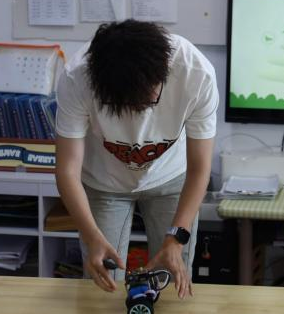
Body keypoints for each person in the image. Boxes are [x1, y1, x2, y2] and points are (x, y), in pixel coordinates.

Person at [54, 19, 218, 299]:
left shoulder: (196, 73)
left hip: (172, 179)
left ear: (165, 72)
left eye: (148, 101)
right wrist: (92, 237)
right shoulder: (77, 78)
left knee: (170, 279)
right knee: (102, 284)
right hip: (104, 181)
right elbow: (67, 170)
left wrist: (177, 239)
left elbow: (200, 168)